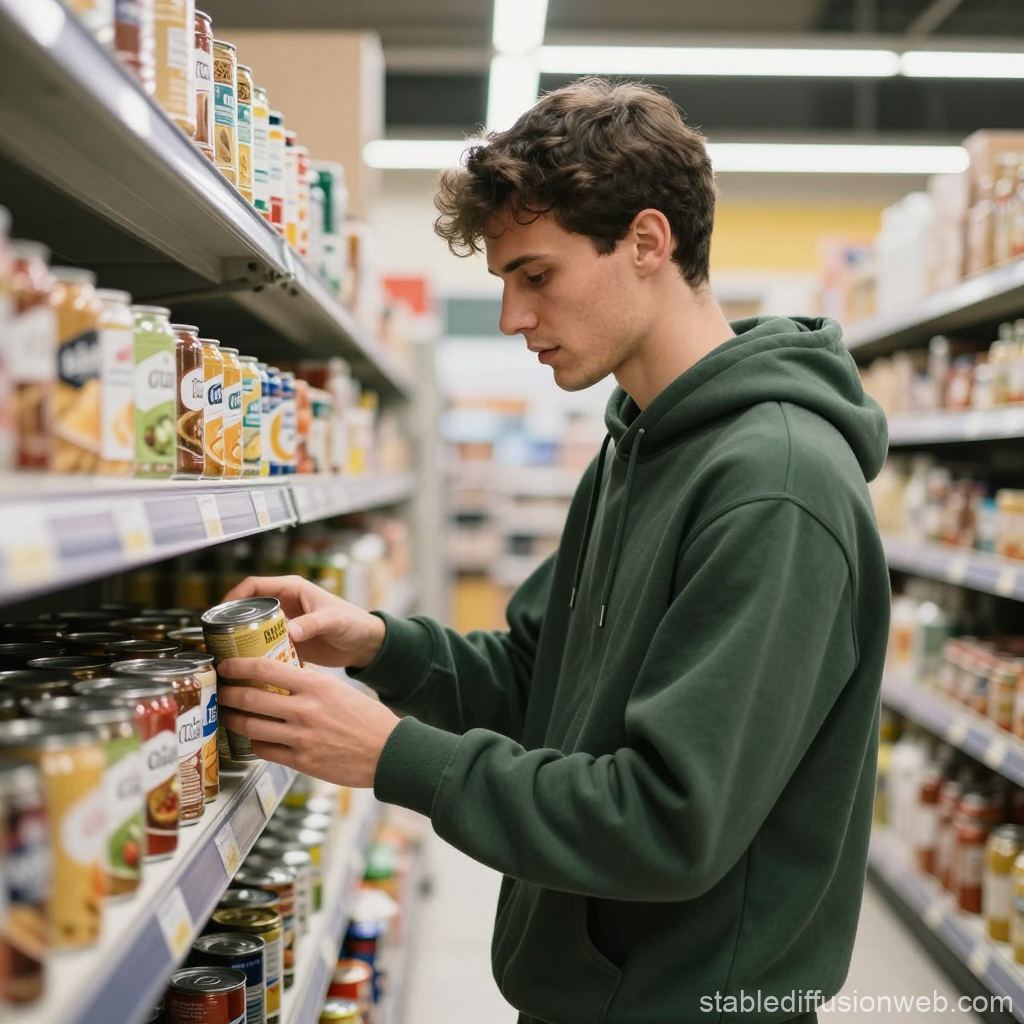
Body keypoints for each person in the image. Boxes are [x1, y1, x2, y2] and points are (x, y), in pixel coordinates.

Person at [218, 78, 890, 1024]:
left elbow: (670, 820)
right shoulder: (635, 444)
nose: (512, 318)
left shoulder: (776, 485)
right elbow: (545, 674)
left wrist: (395, 756)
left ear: (648, 243)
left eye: (536, 276)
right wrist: (377, 643)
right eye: (504, 283)